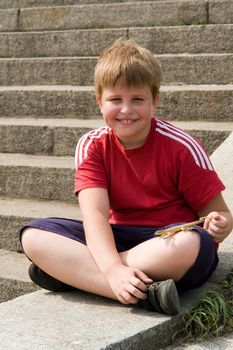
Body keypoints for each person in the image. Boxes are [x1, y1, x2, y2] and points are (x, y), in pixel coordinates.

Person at [20, 39, 233, 315]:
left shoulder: (182, 147)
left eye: (137, 99)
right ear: (99, 102)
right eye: (115, 99)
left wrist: (221, 226)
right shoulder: (92, 145)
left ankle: (77, 273)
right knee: (33, 236)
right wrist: (112, 272)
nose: (126, 110)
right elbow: (95, 216)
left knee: (191, 242)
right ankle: (138, 291)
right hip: (117, 236)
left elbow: (220, 216)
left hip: (168, 241)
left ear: (155, 101)